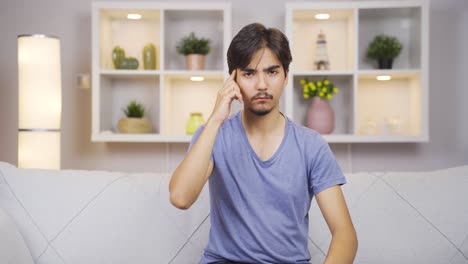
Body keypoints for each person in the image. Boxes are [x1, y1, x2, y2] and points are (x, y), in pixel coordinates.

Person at [169, 23, 357, 264]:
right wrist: (216, 118)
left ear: (286, 76)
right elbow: (180, 197)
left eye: (272, 72)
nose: (261, 85)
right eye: (249, 73)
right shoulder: (213, 135)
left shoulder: (311, 145)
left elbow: (345, 234)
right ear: (233, 80)